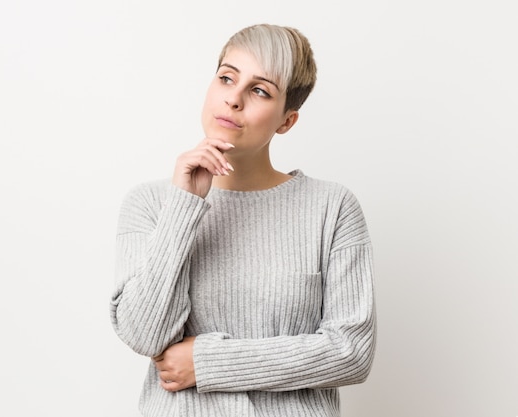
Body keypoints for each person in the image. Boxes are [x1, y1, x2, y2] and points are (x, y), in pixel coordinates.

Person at [110, 23, 377, 417]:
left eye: (259, 90)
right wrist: (184, 207)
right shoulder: (149, 204)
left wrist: (210, 361)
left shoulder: (332, 207)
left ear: (286, 121)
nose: (233, 99)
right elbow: (144, 334)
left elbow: (351, 352)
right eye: (226, 78)